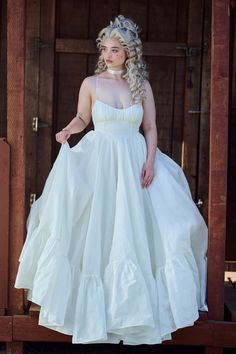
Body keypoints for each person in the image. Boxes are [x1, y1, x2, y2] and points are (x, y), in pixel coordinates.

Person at [15, 15, 208, 345]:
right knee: (98, 228)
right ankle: (89, 311)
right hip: (101, 160)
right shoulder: (91, 83)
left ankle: (136, 311)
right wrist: (68, 130)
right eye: (104, 48)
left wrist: (149, 162)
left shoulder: (140, 86)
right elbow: (82, 117)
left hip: (135, 162)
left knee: (153, 229)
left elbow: (150, 129)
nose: (108, 54)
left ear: (129, 52)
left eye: (115, 49)